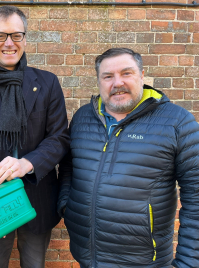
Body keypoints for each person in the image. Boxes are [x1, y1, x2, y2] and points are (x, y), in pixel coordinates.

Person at [58, 47, 199, 268]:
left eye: (126, 73)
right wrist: (66, 205)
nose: (117, 83)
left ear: (142, 76)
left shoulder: (178, 123)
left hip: (145, 261)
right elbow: (69, 167)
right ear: (99, 81)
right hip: (87, 256)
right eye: (108, 76)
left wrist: (188, 263)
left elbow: (196, 197)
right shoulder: (83, 117)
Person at [0, 5, 69, 268]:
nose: (9, 43)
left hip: (38, 198)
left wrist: (27, 163)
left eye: (16, 35)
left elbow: (59, 138)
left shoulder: (48, 83)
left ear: (25, 39)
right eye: (1, 36)